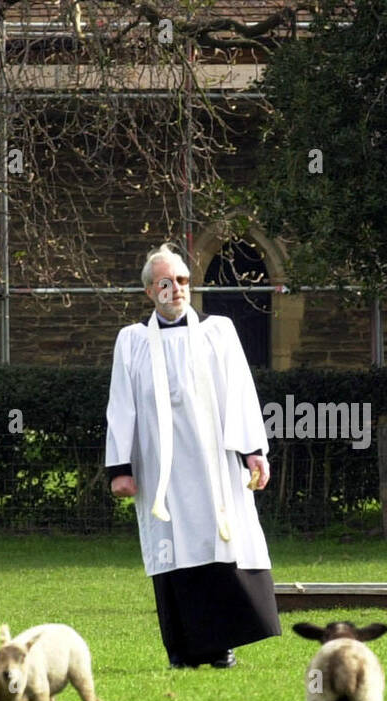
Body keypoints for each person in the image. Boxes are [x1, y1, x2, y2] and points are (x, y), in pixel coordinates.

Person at [105, 242, 281, 669]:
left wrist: (253, 453)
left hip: (213, 467)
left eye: (182, 280)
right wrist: (120, 468)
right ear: (150, 291)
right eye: (166, 282)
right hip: (160, 471)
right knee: (171, 554)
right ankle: (182, 650)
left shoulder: (218, 332)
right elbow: (122, 403)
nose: (176, 289)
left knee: (219, 548)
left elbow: (239, 392)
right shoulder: (131, 343)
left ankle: (220, 645)